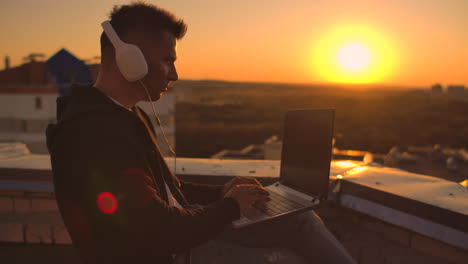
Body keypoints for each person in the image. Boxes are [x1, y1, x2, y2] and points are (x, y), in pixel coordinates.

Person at [46, 2, 356, 264]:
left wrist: (222, 193)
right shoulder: (94, 131)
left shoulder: (126, 114)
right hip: (165, 251)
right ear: (131, 61)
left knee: (298, 223)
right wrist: (231, 207)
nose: (176, 75)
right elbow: (157, 229)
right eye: (168, 61)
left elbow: (164, 193)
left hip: (178, 238)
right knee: (291, 245)